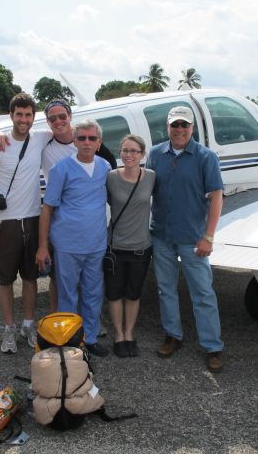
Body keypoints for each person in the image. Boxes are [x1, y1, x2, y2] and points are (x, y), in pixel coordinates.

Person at [0, 99, 116, 313]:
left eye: (62, 117)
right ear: (47, 122)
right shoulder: (44, 141)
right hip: (61, 225)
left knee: (89, 282)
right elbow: (18, 134)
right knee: (58, 279)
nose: (58, 121)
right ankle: (60, 321)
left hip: (89, 231)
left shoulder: (93, 146)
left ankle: (88, 323)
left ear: (70, 117)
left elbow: (111, 179)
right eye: (52, 118)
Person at [145, 105, 225, 373]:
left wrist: (209, 236)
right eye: (174, 125)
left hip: (193, 239)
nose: (179, 130)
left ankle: (213, 346)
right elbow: (145, 192)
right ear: (167, 128)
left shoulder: (206, 157)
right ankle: (173, 336)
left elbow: (216, 198)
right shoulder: (155, 155)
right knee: (165, 289)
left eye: (184, 125)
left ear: (192, 128)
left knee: (202, 293)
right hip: (162, 236)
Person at [0, 93, 51, 354]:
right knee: (5, 279)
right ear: (11, 116)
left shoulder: (41, 138)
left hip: (32, 218)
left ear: (34, 117)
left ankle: (28, 325)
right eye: (19, 114)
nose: (24, 119)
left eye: (28, 115)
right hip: (6, 221)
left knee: (30, 278)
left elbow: (68, 129)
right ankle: (9, 328)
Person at [36, 119, 111, 357]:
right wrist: (42, 247)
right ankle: (68, 340)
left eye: (92, 138)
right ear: (75, 141)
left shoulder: (105, 168)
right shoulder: (61, 169)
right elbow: (47, 208)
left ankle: (89, 338)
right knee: (67, 293)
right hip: (67, 243)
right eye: (82, 138)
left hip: (96, 243)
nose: (87, 142)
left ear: (99, 143)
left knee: (93, 291)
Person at [105, 135, 155, 358]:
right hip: (115, 247)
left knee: (133, 295)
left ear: (142, 154)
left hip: (140, 248)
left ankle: (129, 333)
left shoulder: (152, 177)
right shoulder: (111, 178)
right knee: (114, 294)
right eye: (125, 150)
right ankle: (118, 335)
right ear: (120, 153)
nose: (129, 155)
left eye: (134, 151)